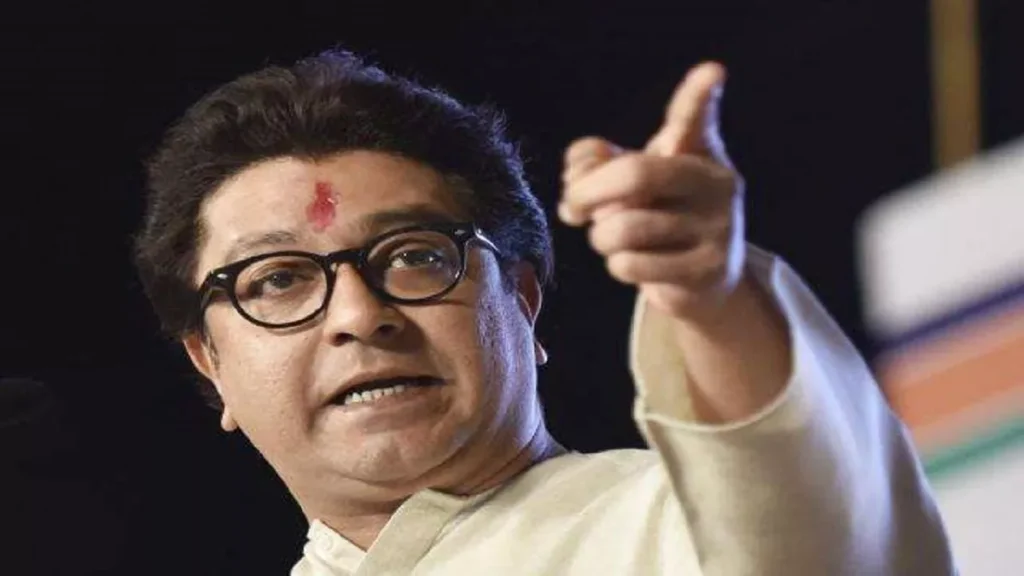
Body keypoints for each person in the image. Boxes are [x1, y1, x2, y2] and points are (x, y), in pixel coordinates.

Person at [133, 49, 955, 575]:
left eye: (415, 255)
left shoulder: (674, 530)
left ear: (522, 301)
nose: (357, 313)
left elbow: (817, 528)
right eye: (278, 279)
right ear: (209, 360)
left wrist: (712, 299)